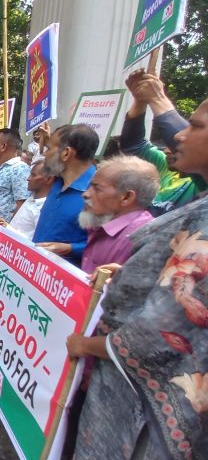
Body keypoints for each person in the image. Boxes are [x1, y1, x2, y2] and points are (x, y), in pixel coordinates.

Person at [66, 94, 208, 460]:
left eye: (195, 126)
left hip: (141, 411)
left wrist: (85, 346)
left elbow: (157, 335)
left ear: (127, 197)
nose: (179, 135)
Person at [120, 70, 207, 217]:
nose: (177, 136)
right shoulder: (165, 171)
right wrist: (140, 101)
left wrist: (157, 98)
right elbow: (134, 146)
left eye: (195, 126)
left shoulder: (200, 181)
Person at [32, 123, 99, 265]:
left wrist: (71, 249)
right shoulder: (58, 180)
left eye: (48, 149)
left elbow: (105, 247)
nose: (44, 154)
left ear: (66, 153)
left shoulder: (99, 193)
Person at [78, 155, 158, 274]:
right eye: (90, 187)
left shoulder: (141, 239)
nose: (85, 194)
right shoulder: (102, 222)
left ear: (126, 197)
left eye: (97, 189)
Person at [0, 160, 54, 240]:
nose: (28, 178)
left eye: (33, 175)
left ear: (48, 179)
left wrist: (7, 228)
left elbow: (36, 243)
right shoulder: (31, 199)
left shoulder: (45, 209)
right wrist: (5, 226)